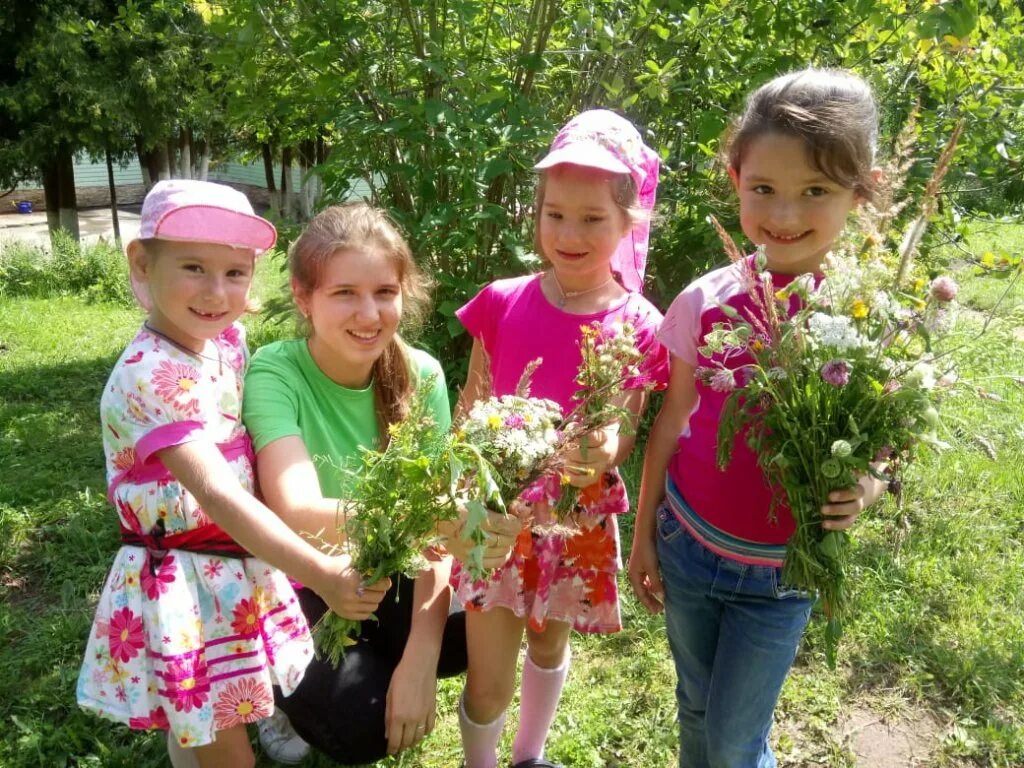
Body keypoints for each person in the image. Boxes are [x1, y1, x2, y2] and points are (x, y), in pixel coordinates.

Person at [628, 68, 891, 768]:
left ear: (862, 191)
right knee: (695, 708)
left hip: (782, 573)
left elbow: (885, 435)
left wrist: (866, 485)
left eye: (816, 191)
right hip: (687, 547)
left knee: (735, 739)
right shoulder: (703, 301)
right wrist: (644, 532)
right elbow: (672, 419)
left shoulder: (870, 318)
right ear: (735, 178)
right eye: (763, 189)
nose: (782, 215)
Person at [76, 180, 373, 768]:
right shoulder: (148, 375)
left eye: (235, 274)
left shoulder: (224, 344)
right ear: (142, 263)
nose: (216, 293)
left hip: (229, 569)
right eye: (193, 267)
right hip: (184, 578)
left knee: (209, 718)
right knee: (224, 749)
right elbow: (216, 492)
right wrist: (319, 571)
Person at [242, 202, 520, 765]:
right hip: (300, 579)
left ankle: (380, 655)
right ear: (303, 297)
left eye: (385, 292)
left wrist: (422, 653)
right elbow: (296, 508)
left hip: (386, 570)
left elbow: (434, 541)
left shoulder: (422, 375)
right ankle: (275, 690)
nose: (369, 314)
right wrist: (431, 517)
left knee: (471, 631)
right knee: (360, 728)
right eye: (344, 292)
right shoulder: (275, 370)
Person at [453, 110, 669, 768]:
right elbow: (472, 405)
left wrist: (603, 449)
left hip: (575, 521)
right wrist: (469, 477)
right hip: (497, 517)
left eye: (592, 218)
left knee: (548, 644)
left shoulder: (639, 322)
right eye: (555, 214)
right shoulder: (502, 300)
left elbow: (625, 430)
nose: (569, 234)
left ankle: (530, 755)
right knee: (488, 678)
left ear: (630, 222)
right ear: (536, 213)